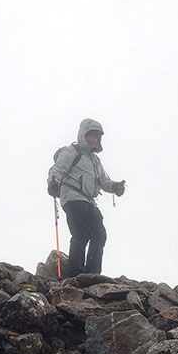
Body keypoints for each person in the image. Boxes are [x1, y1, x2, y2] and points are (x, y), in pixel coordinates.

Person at [47, 118, 125, 277]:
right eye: (91, 135)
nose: (93, 140)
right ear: (83, 135)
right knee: (81, 233)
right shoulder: (72, 152)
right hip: (73, 197)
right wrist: (53, 183)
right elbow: (57, 169)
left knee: (99, 235)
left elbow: (103, 181)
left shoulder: (95, 160)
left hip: (89, 200)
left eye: (96, 137)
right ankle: (76, 272)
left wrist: (115, 187)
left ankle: (92, 273)